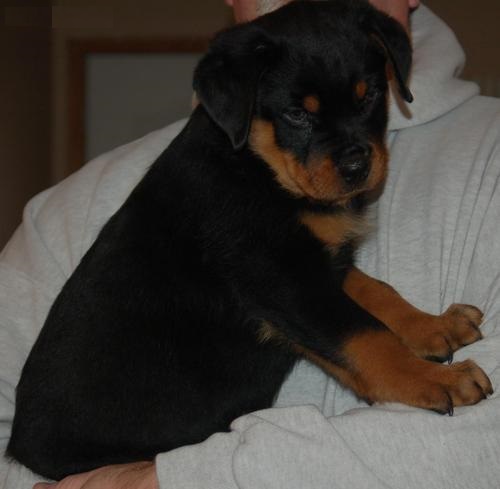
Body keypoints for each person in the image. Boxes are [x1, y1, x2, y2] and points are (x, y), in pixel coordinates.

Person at [1, 0, 499, 487]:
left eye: (364, 100)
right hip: (91, 441)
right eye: (302, 119)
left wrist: (175, 481)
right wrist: (401, 372)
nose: (350, 155)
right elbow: (296, 290)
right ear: (241, 104)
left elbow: (310, 274)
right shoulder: (181, 184)